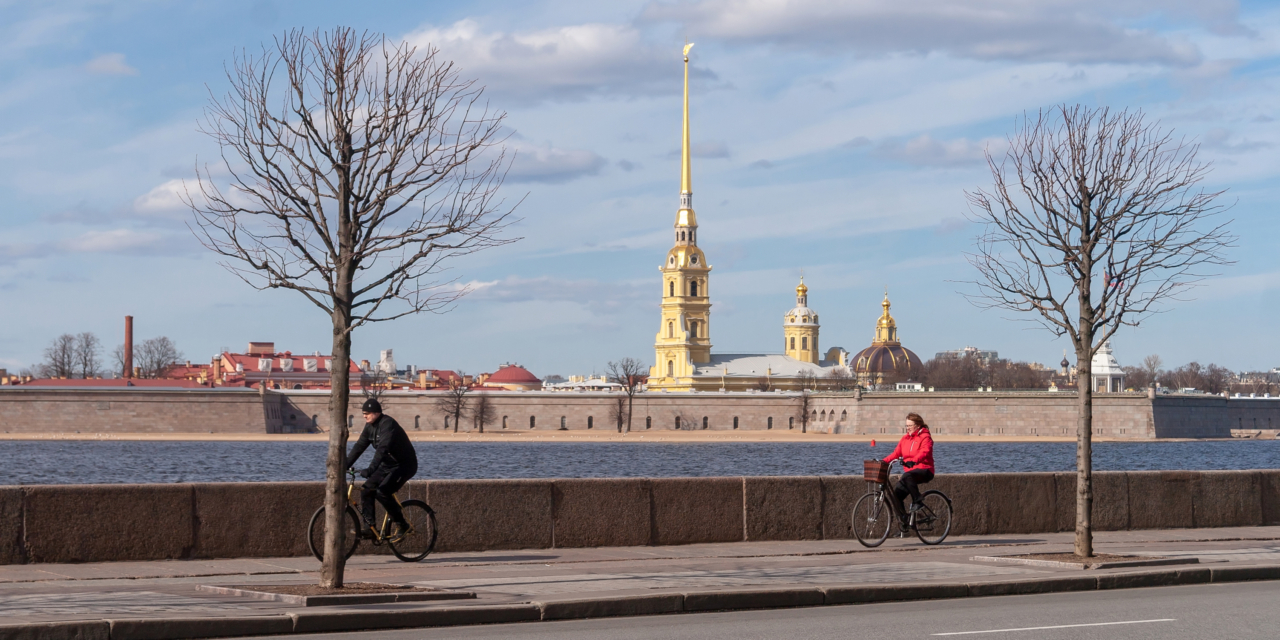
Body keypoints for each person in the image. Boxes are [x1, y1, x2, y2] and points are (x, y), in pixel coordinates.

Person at [346, 398, 418, 538]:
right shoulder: (369, 427)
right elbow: (359, 447)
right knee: (367, 490)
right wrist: (344, 465)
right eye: (363, 413)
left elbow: (382, 449)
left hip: (405, 465)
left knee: (382, 492)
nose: (364, 416)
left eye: (367, 413)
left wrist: (371, 469)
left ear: (377, 412)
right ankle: (370, 529)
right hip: (387, 465)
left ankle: (403, 524)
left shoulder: (388, 424)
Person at [881, 412, 934, 524]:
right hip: (910, 473)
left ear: (918, 426)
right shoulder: (905, 439)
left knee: (907, 475)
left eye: (910, 426)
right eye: (906, 426)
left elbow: (925, 452)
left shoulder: (925, 437)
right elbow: (896, 454)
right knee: (896, 496)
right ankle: (905, 521)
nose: (907, 428)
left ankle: (918, 500)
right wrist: (883, 461)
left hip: (925, 469)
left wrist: (913, 461)